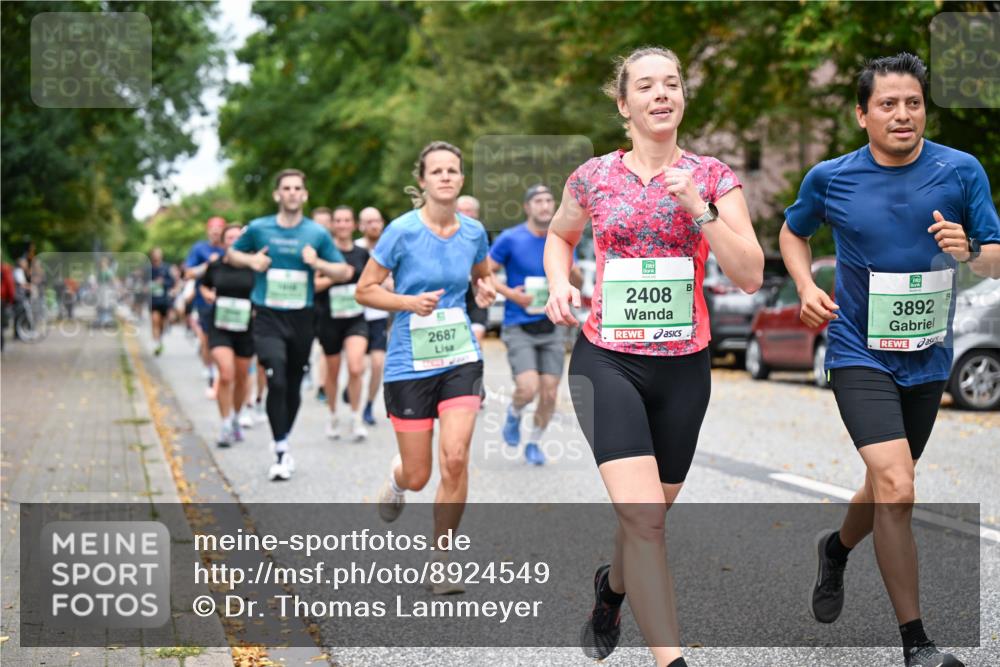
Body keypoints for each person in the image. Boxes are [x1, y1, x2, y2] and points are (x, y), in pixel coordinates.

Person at [544, 47, 763, 666]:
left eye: (671, 83)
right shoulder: (591, 177)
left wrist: (699, 207)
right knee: (646, 521)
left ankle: (611, 590)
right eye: (646, 86)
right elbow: (560, 235)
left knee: (646, 514)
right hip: (606, 358)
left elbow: (748, 275)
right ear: (624, 104)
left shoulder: (715, 178)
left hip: (684, 368)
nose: (661, 93)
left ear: (682, 98)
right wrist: (560, 281)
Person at [781, 53, 999, 667]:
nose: (903, 114)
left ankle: (836, 549)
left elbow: (995, 257)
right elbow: (793, 232)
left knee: (884, 487)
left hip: (928, 355)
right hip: (856, 350)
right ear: (862, 114)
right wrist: (803, 287)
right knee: (900, 487)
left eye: (913, 103)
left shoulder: (961, 170)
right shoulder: (832, 177)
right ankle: (917, 644)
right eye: (888, 104)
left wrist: (973, 250)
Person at [356, 141, 496, 593]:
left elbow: (482, 274)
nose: (445, 177)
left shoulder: (474, 231)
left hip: (458, 356)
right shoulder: (400, 231)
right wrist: (406, 302)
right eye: (436, 171)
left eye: (453, 170)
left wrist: (487, 290)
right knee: (420, 476)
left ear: (460, 178)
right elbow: (365, 290)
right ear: (422, 180)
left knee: (455, 459)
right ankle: (397, 480)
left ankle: (442, 561)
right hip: (408, 360)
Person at [228, 169, 352, 481]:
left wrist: (318, 263)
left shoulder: (316, 234)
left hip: (302, 317)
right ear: (277, 194)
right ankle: (281, 447)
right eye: (287, 188)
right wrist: (251, 261)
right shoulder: (259, 228)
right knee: (276, 375)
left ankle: (283, 437)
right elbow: (231, 254)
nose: (293, 192)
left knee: (294, 382)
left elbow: (344, 272)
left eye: (298, 188)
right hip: (268, 314)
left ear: (305, 195)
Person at [491, 184, 582, 465]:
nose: (545, 206)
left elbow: (575, 282)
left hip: (553, 324)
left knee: (550, 392)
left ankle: (534, 443)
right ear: (527, 207)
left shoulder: (562, 238)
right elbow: (484, 273)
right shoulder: (510, 239)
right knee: (528, 388)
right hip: (519, 324)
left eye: (549, 201)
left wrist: (573, 273)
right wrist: (511, 295)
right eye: (538, 201)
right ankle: (515, 413)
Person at [313, 206, 370, 441]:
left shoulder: (361, 253)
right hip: (329, 319)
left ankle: (356, 417)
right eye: (338, 220)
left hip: (355, 318)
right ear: (333, 225)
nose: (343, 224)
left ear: (354, 224)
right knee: (333, 372)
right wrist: (336, 276)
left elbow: (370, 283)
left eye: (347, 220)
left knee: (356, 367)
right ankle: (333, 415)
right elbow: (313, 285)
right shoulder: (325, 253)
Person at [199, 225, 257, 447]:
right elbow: (204, 286)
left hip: (245, 327)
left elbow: (262, 291)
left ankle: (235, 416)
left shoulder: (254, 267)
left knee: (242, 377)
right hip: (220, 325)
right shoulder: (215, 266)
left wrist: (257, 308)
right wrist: (208, 295)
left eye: (238, 238)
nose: (234, 241)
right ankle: (224, 424)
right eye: (229, 238)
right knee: (226, 374)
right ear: (223, 243)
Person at [354, 206, 391, 425]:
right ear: (360, 226)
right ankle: (353, 390)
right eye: (368, 221)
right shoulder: (355, 248)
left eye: (377, 221)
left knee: (378, 364)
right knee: (358, 365)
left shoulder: (389, 249)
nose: (373, 225)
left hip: (378, 314)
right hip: (355, 315)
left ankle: (368, 404)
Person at [185, 217, 227, 397]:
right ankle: (210, 371)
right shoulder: (199, 249)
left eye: (220, 229)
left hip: (227, 301)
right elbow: (189, 273)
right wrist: (209, 264)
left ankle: (219, 374)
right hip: (204, 302)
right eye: (213, 229)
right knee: (207, 339)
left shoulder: (230, 248)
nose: (216, 232)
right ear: (207, 231)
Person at [457, 195, 489, 345]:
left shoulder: (482, 233)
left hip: (476, 291)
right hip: (455, 292)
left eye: (468, 210)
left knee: (476, 337)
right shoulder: (446, 234)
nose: (464, 214)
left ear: (476, 213)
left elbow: (488, 266)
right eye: (460, 210)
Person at [149, 247, 175, 356]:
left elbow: (172, 282)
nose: (156, 255)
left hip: (164, 300)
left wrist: (163, 282)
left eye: (158, 253)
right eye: (155, 253)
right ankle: (157, 344)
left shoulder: (167, 268)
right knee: (155, 320)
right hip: (153, 300)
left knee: (162, 324)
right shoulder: (148, 268)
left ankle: (160, 339)